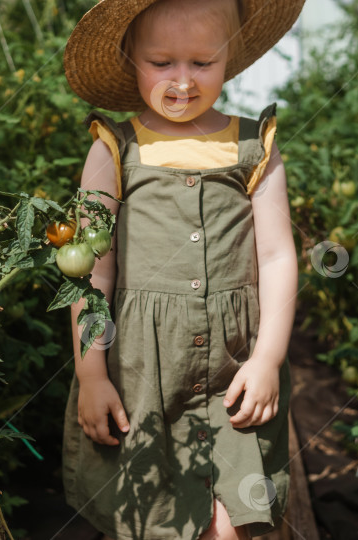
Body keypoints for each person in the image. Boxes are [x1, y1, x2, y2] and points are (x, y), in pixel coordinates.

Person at [61, 0, 303, 538]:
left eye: (202, 62)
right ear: (132, 61)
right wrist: (91, 374)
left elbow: (278, 256)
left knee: (236, 521)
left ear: (230, 59)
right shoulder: (114, 149)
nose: (182, 81)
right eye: (161, 62)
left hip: (234, 364)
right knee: (155, 512)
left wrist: (268, 358)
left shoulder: (253, 145)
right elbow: (91, 272)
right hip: (144, 370)